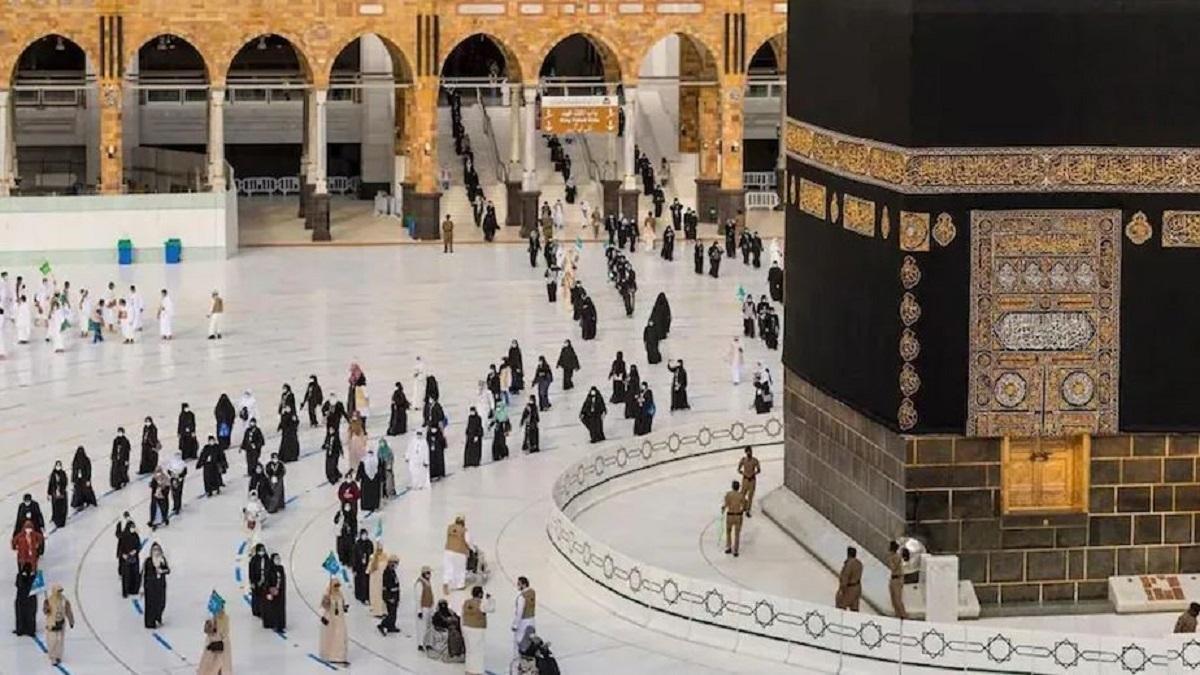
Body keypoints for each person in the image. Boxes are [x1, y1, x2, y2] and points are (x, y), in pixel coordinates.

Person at [319, 579, 350, 665]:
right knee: (332, 638)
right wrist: (327, 600)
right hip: (331, 620)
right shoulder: (327, 594)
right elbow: (323, 606)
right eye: (335, 586)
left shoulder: (340, 594)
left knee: (340, 637)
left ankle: (340, 656)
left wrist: (345, 608)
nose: (337, 588)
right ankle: (331, 655)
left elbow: (343, 604)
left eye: (338, 586)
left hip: (340, 620)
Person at [42, 585, 74, 666]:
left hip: (61, 623)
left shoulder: (64, 600)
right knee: (52, 640)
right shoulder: (48, 600)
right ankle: (52, 655)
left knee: (60, 641)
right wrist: (47, 608)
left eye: (60, 591)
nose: (59, 593)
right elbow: (45, 612)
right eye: (58, 591)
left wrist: (71, 621)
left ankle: (58, 656)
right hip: (51, 623)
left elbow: (68, 611)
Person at [197, 605, 232, 675]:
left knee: (221, 661)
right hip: (212, 644)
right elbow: (207, 630)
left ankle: (220, 670)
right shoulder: (211, 619)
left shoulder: (225, 619)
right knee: (210, 662)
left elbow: (223, 632)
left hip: (221, 644)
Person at [141, 542, 169, 628]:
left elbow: (168, 570)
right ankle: (150, 622)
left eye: (157, 549)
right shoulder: (148, 561)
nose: (156, 551)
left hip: (160, 585)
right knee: (150, 605)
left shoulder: (162, 560)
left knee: (161, 603)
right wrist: (142, 588)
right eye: (154, 550)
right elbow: (143, 574)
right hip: (150, 586)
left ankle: (158, 617)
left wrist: (162, 571)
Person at [443, 515, 472, 594]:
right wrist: (471, 549)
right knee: (460, 569)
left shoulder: (450, 528)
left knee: (448, 568)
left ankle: (446, 583)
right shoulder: (464, 530)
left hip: (448, 550)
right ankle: (460, 585)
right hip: (459, 552)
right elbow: (468, 541)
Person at [376, 555, 402, 635]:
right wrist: (389, 597)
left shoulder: (392, 571)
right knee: (391, 613)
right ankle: (383, 624)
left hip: (395, 595)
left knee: (394, 613)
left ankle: (391, 626)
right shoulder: (387, 572)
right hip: (390, 596)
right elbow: (385, 587)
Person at [512, 576, 536, 657]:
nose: (518, 586)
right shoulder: (532, 592)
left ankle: (518, 660)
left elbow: (520, 612)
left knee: (520, 641)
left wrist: (515, 625)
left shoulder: (522, 597)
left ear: (524, 584)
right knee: (530, 641)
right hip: (532, 620)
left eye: (519, 584)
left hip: (523, 622)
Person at [262, 552, 287, 630]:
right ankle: (273, 623)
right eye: (276, 559)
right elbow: (267, 582)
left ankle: (280, 624)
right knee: (273, 608)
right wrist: (268, 592)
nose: (278, 560)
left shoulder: (281, 568)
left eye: (279, 559)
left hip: (280, 592)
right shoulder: (269, 569)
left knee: (280, 608)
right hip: (272, 592)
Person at [723, 480, 747, 557]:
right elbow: (745, 506)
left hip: (730, 515)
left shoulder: (728, 494)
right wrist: (743, 510)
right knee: (737, 534)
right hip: (738, 516)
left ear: (732, 486)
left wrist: (723, 508)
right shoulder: (741, 495)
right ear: (738, 487)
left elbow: (726, 504)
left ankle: (729, 547)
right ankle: (736, 551)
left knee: (728, 532)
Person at [835, 547, 864, 611]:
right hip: (857, 587)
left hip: (849, 588)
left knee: (840, 605)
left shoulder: (849, 564)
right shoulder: (859, 564)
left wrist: (841, 589)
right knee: (854, 608)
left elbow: (846, 576)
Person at [70, 446, 97, 511]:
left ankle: (89, 501)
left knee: (87, 491)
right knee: (78, 492)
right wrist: (73, 480)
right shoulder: (75, 461)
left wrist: (88, 479)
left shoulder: (86, 460)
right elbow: (73, 471)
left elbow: (89, 470)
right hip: (77, 480)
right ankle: (79, 503)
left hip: (84, 479)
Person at [737, 446, 762, 516]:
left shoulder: (755, 460)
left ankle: (748, 510)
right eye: (748, 452)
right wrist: (743, 473)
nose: (749, 453)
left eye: (750, 451)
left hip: (752, 480)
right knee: (742, 494)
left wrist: (754, 473)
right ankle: (743, 507)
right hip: (745, 479)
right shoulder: (743, 460)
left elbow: (759, 470)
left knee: (750, 495)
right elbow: (739, 469)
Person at [415, 566, 435, 651]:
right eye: (428, 573)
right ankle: (421, 643)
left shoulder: (428, 582)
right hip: (423, 608)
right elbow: (418, 598)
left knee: (429, 626)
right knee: (422, 627)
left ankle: (428, 643)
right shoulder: (420, 583)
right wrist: (419, 610)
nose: (429, 575)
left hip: (429, 606)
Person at [14, 562, 37, 636]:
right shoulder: (22, 576)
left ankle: (28, 630)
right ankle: (23, 629)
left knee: (27, 614)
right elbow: (19, 584)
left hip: (25, 598)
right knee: (24, 614)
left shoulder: (32, 577)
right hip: (26, 598)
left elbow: (18, 584)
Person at [247, 543, 270, 617]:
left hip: (265, 581)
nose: (262, 552)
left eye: (263, 550)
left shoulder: (267, 559)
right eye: (260, 550)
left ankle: (264, 610)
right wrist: (252, 582)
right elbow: (251, 572)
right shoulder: (254, 560)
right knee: (256, 596)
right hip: (256, 580)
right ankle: (256, 610)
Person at [353, 529, 374, 604]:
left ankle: (368, 596)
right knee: (360, 582)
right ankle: (361, 597)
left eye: (365, 535)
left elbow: (372, 554)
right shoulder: (357, 544)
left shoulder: (369, 543)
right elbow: (354, 557)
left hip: (368, 566)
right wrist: (354, 568)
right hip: (359, 567)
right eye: (363, 535)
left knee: (367, 581)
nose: (364, 536)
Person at [367, 544, 388, 618]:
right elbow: (369, 570)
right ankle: (377, 612)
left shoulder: (385, 557)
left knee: (383, 595)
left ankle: (383, 611)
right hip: (375, 580)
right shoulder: (373, 557)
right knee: (376, 596)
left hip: (383, 579)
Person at [888, 541, 908, 619]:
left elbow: (893, 567)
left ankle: (903, 615)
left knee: (897, 599)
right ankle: (897, 615)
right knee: (893, 600)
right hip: (893, 578)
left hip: (897, 579)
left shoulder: (896, 557)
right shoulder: (893, 557)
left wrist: (890, 560)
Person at [46, 462, 68, 528]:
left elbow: (65, 483)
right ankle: (56, 519)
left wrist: (60, 487)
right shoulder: (53, 474)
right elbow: (50, 484)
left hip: (62, 493)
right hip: (54, 494)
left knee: (62, 508)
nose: (58, 467)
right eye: (57, 465)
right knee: (55, 507)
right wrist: (49, 493)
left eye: (59, 465)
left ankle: (62, 521)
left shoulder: (63, 473)